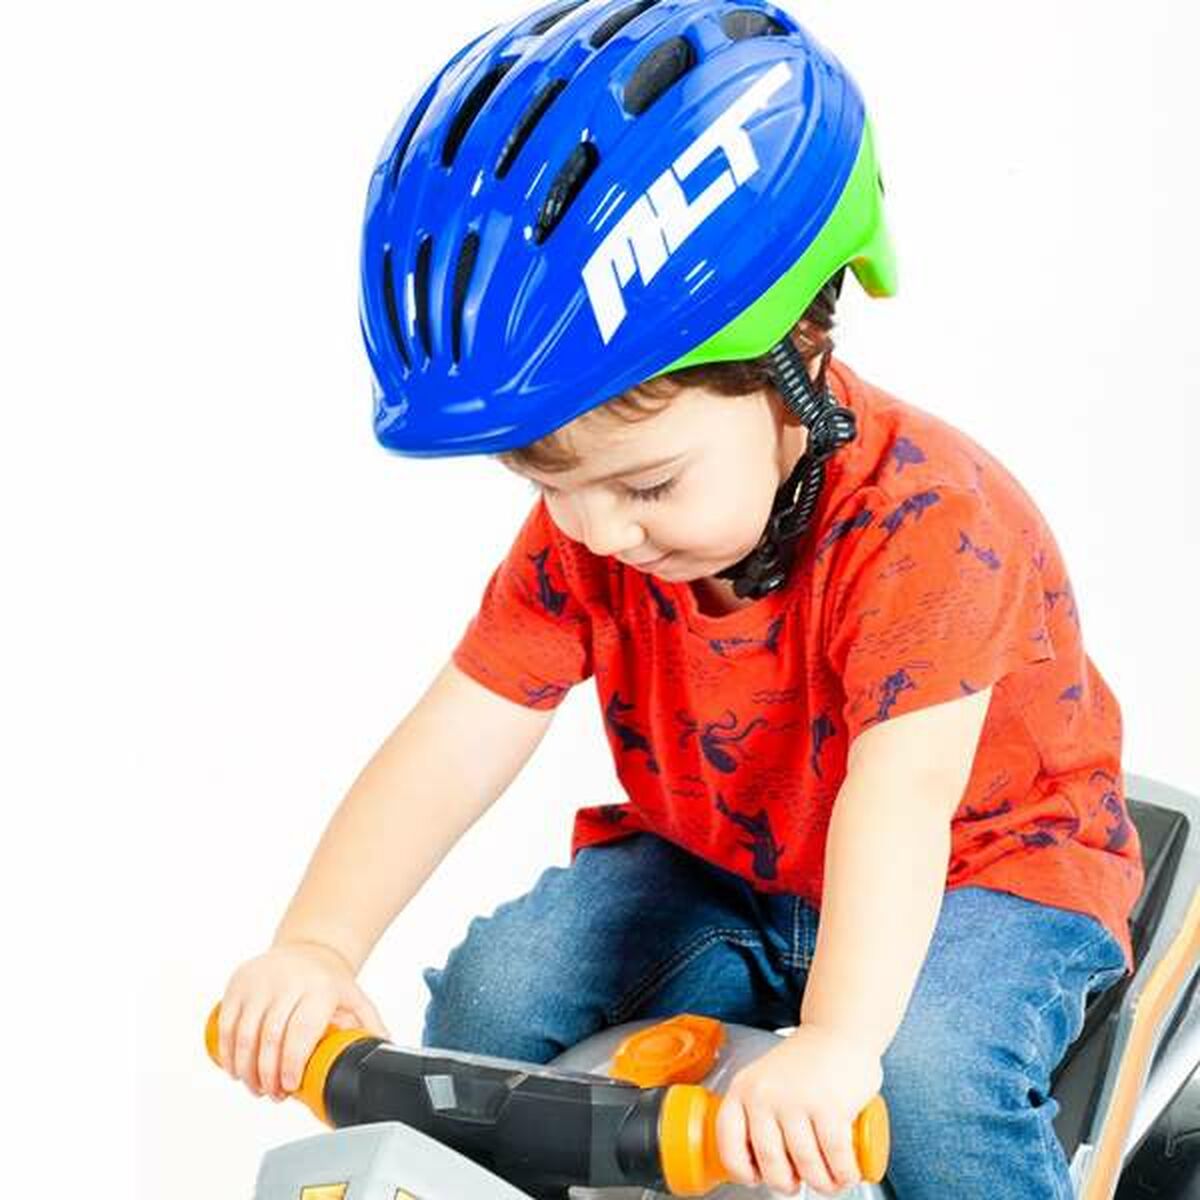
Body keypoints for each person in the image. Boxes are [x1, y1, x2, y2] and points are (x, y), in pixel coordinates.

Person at [213, 2, 1144, 1195]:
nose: (600, 531)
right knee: (494, 1000)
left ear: (799, 364)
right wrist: (318, 941)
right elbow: (460, 731)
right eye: (552, 485)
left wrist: (838, 1045)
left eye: (647, 484)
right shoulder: (599, 532)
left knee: (930, 1083)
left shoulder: (931, 523)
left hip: (985, 869)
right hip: (727, 865)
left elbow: (901, 803)